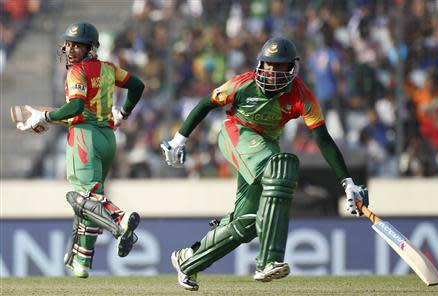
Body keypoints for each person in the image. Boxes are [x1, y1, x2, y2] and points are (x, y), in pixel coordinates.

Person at [161, 36, 369, 291]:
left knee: (246, 223)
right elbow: (206, 104)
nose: (271, 70)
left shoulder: (302, 95)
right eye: (268, 64)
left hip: (266, 144)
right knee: (280, 167)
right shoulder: (242, 83)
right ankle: (268, 261)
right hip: (236, 133)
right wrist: (179, 139)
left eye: (278, 65)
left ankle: (188, 260)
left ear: (291, 68)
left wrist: (347, 183)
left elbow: (323, 139)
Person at [17, 21, 145, 278]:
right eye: (69, 43)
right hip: (107, 138)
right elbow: (137, 86)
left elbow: (76, 108)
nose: (71, 48)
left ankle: (120, 220)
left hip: (84, 139)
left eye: (78, 45)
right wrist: (123, 112)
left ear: (90, 48)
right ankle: (81, 261)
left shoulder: (77, 72)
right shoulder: (108, 69)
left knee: (81, 198)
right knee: (90, 201)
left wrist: (45, 116)